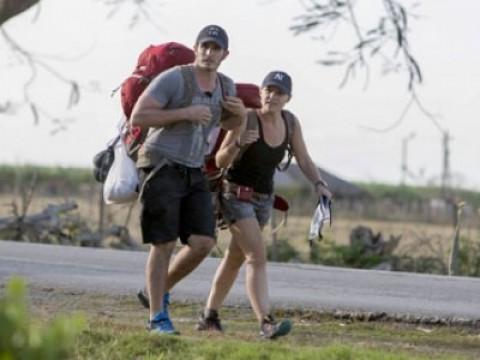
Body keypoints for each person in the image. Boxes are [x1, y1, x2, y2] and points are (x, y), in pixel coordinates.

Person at [196, 70, 332, 339]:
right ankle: (266, 323)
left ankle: (209, 316)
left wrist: (319, 183)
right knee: (256, 257)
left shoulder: (290, 123)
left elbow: (303, 159)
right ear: (260, 92)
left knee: (234, 258)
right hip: (235, 196)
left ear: (288, 98)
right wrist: (237, 142)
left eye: (279, 92)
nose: (272, 95)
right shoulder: (245, 118)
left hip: (263, 200)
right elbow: (221, 161)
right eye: (268, 89)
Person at [130, 24, 246, 334]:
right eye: (204, 46)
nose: (209, 53)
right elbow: (139, 116)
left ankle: (156, 291)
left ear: (225, 54)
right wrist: (185, 113)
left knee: (203, 242)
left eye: (215, 48)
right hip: (160, 164)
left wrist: (241, 116)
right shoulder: (174, 79)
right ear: (196, 49)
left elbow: (230, 122)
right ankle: (157, 318)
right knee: (163, 242)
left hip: (194, 168)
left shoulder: (225, 85)